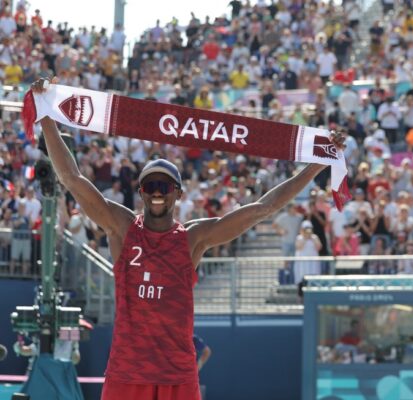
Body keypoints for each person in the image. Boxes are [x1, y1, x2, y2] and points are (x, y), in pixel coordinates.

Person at [31, 78, 346, 400]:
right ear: (140, 192)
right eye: (150, 186)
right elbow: (72, 178)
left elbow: (262, 209)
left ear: (178, 193)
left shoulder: (192, 237)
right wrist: (45, 115)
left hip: (177, 374)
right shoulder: (122, 227)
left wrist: (316, 164)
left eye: (164, 187)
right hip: (128, 372)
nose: (156, 192)